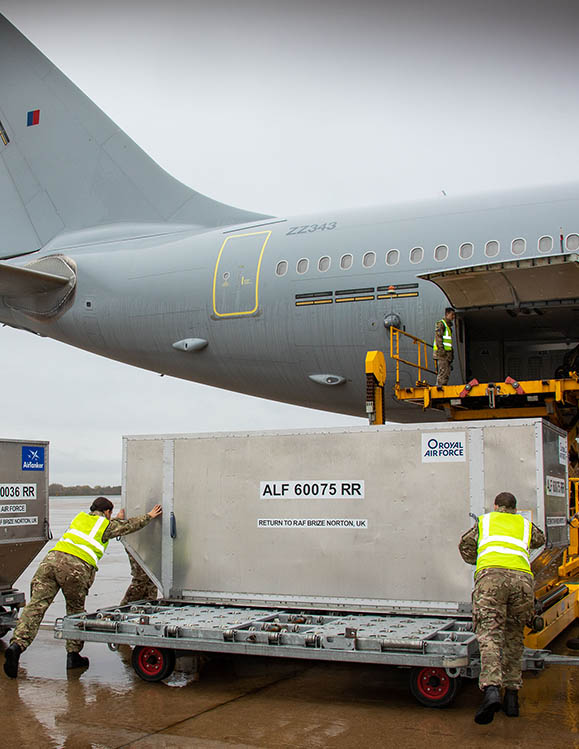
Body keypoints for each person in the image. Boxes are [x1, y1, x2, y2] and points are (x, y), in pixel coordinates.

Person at [3, 496, 162, 679]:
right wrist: (149, 515)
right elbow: (128, 526)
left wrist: (116, 518)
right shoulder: (104, 525)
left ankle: (17, 646)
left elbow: (101, 527)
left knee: (36, 607)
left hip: (50, 562)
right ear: (107, 513)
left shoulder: (80, 518)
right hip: (74, 569)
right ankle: (73, 656)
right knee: (75, 612)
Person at [459, 492, 545, 724]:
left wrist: (482, 560)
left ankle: (492, 690)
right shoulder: (525, 524)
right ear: (515, 509)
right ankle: (512, 699)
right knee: (514, 638)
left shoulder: (485, 521)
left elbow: (465, 545)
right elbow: (540, 540)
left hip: (491, 580)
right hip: (522, 582)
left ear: (496, 506)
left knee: (489, 636)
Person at [433, 307, 455, 386]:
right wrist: (442, 351)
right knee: (443, 373)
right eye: (452, 315)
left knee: (446, 373)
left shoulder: (448, 326)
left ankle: (442, 388)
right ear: (447, 314)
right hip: (442, 354)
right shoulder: (441, 324)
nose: (453, 317)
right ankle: (439, 389)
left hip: (447, 355)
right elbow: (439, 338)